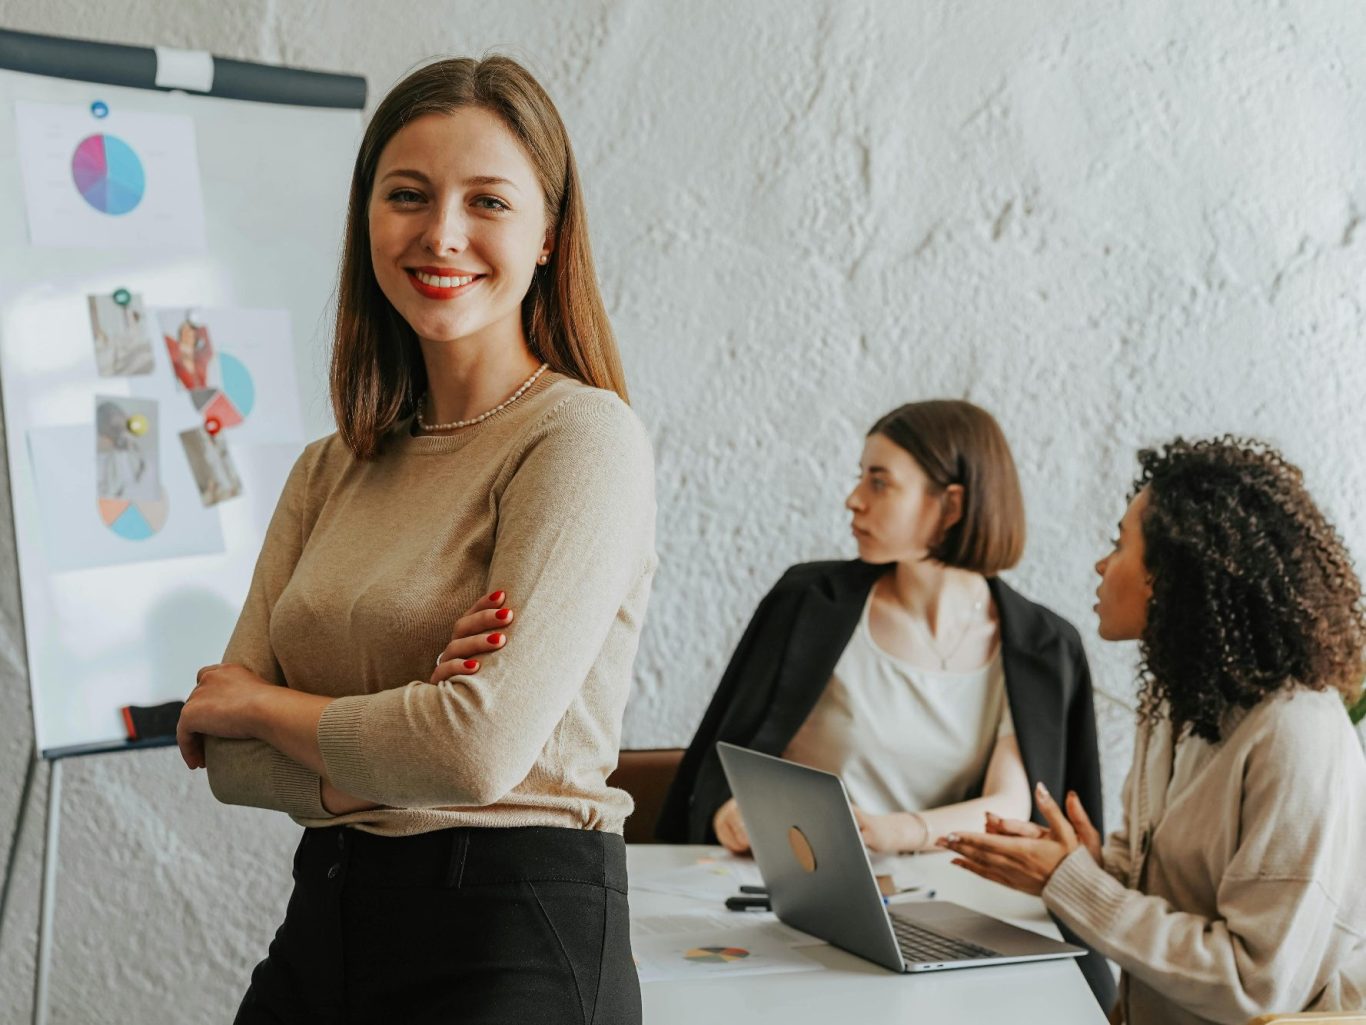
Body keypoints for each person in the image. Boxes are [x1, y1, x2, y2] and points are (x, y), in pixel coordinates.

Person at [175, 55, 655, 1025]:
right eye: (408, 194)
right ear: (367, 217)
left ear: (550, 232)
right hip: (329, 919)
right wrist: (403, 728)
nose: (441, 233)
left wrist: (268, 700)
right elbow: (227, 762)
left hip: (512, 932)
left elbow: (474, 748)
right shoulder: (330, 466)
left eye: (488, 201)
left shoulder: (580, 437)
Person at [657, 399, 1115, 1007]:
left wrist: (892, 831)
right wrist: (730, 811)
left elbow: (1014, 804)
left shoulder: (1040, 645)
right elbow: (730, 753)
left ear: (950, 504)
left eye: (879, 482)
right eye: (860, 477)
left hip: (952, 911)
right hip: (797, 899)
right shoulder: (807, 602)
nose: (854, 498)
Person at [943, 437, 1366, 1025]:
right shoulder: (1173, 702)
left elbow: (1257, 983)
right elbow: (1170, 898)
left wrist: (1074, 884)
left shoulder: (1297, 735)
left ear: (1175, 578)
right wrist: (1086, 866)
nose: (1101, 564)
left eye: (1119, 545)